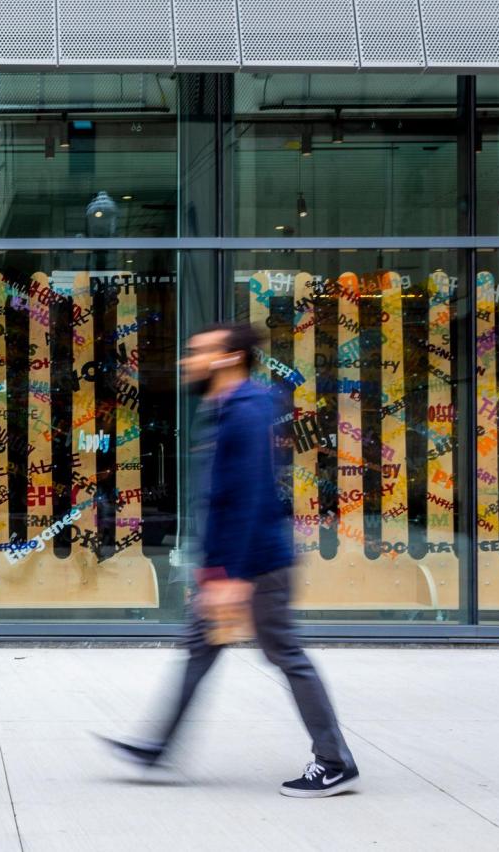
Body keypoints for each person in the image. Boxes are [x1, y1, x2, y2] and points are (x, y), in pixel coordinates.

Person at [100, 322, 359, 798]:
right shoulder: (223, 407)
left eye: (197, 352)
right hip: (231, 566)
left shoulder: (247, 409)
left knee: (286, 655)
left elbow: (250, 498)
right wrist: (211, 570)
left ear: (228, 358)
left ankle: (333, 760)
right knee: (200, 652)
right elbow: (220, 501)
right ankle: (156, 746)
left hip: (257, 566)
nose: (187, 360)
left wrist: (232, 577)